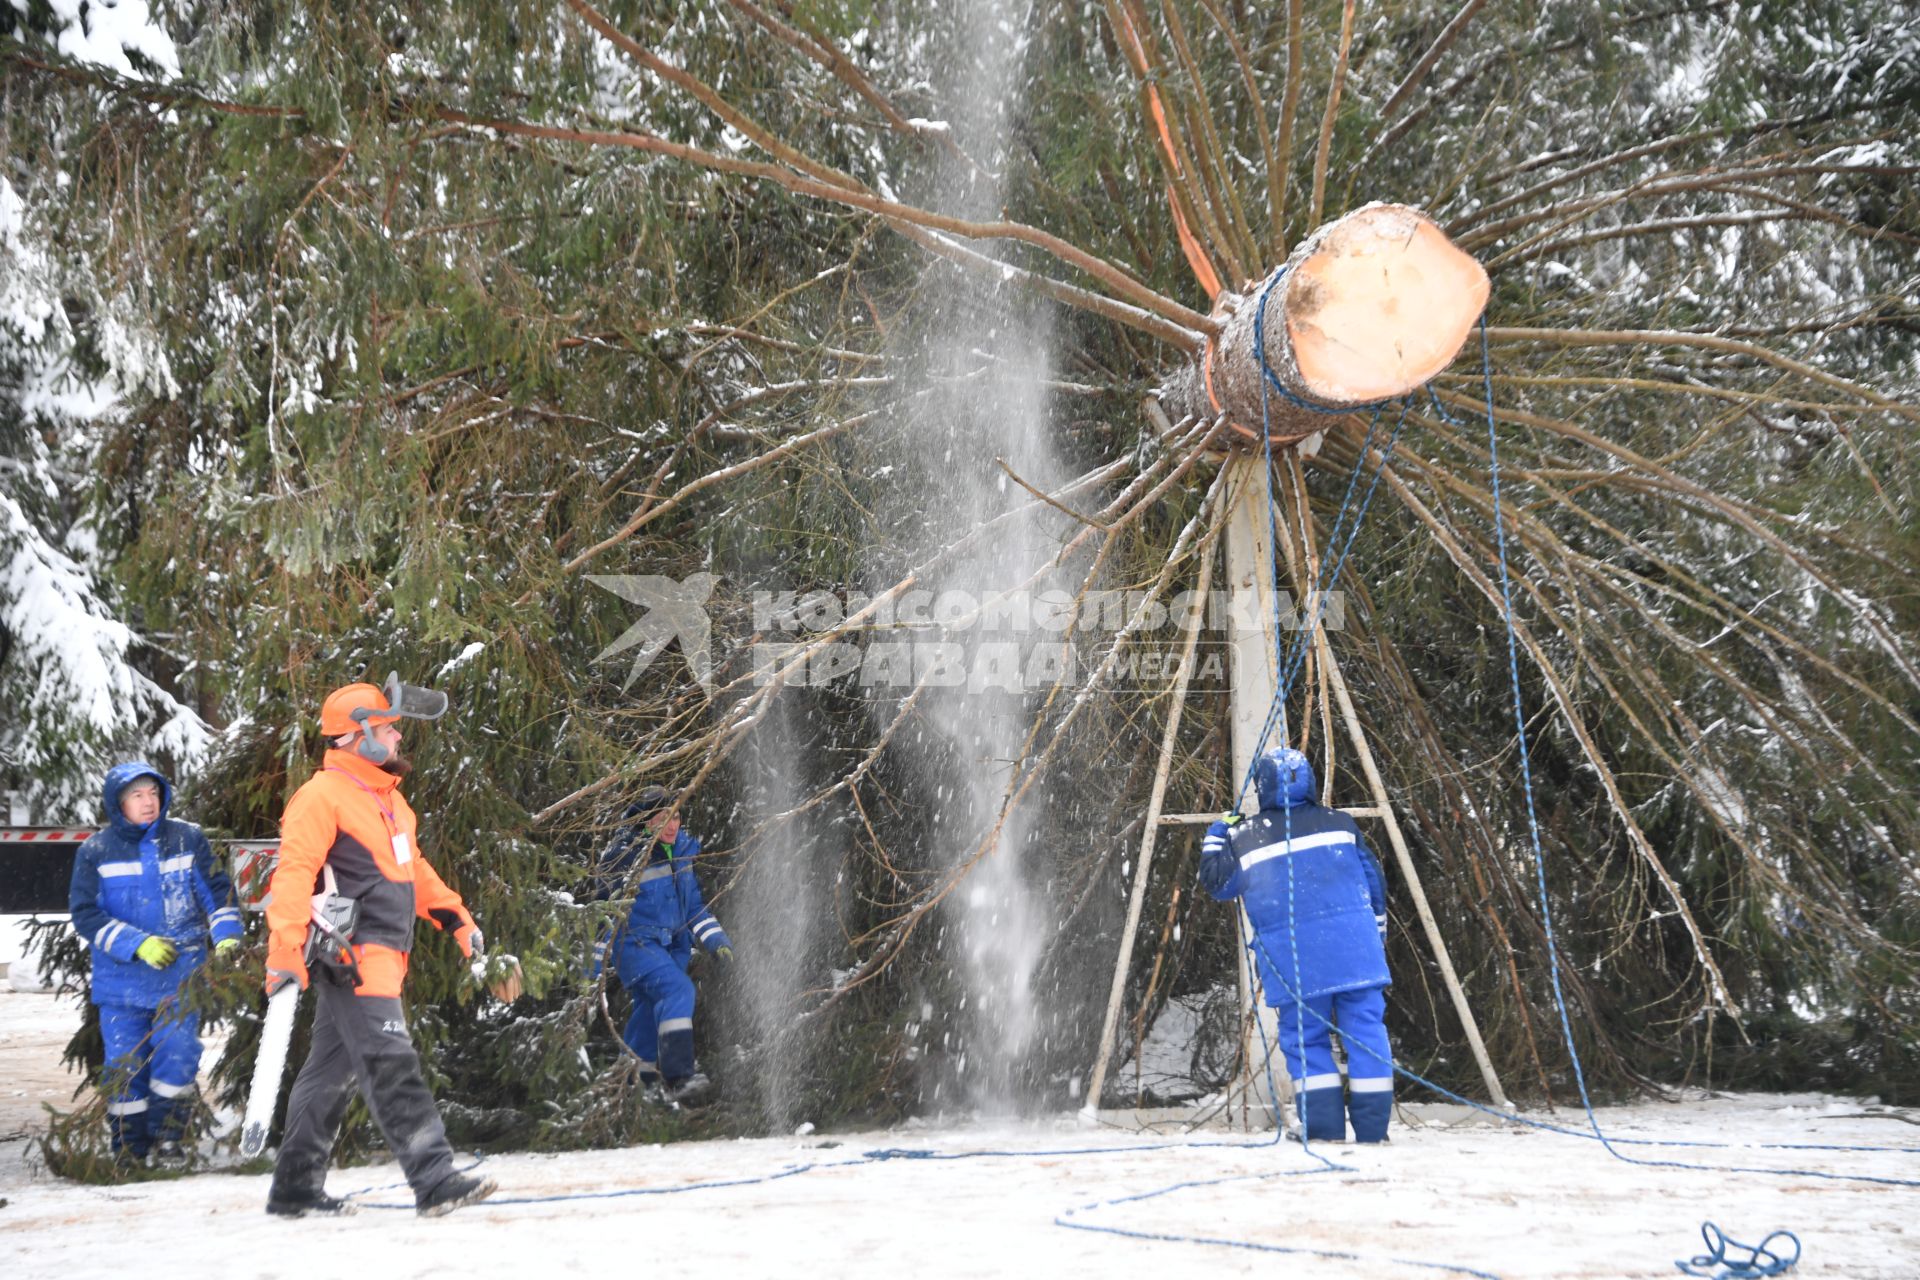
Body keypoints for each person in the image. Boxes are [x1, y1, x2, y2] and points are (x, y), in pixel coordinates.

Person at [262, 673, 512, 1217]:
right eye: (390, 729)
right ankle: (434, 1177)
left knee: (329, 1072)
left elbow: (413, 872)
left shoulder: (390, 803)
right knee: (389, 1063)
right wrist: (283, 952)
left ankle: (295, 1187)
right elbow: (291, 877)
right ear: (361, 735)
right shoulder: (321, 797)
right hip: (351, 956)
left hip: (384, 955)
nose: (399, 739)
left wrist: (459, 921)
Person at [1200, 746, 1395, 1143]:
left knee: (1306, 1040)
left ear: (1263, 787)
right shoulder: (1341, 824)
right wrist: (1376, 933)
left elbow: (1218, 884)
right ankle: (1374, 1131)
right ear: (1309, 781)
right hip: (1357, 953)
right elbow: (1374, 881)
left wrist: (1218, 833)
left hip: (1294, 959)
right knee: (1367, 1033)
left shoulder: (1247, 836)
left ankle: (1324, 1131)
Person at [69, 762, 244, 1168]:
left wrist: (227, 934)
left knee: (178, 1054)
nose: (148, 803)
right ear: (118, 804)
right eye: (137, 796)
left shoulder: (187, 840)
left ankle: (169, 1140)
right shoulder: (96, 851)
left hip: (181, 979)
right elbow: (85, 915)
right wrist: (137, 943)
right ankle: (128, 1148)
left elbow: (218, 894)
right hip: (121, 984)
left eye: (153, 793)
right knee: (124, 1065)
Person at [593, 784, 732, 1104]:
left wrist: (716, 942)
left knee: (648, 1010)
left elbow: (694, 907)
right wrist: (593, 964)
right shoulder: (625, 857)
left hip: (672, 949)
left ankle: (636, 1085)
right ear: (644, 821)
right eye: (662, 818)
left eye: (676, 817)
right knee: (677, 991)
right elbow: (603, 914)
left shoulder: (681, 851)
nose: (672, 825)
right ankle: (678, 1077)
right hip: (636, 946)